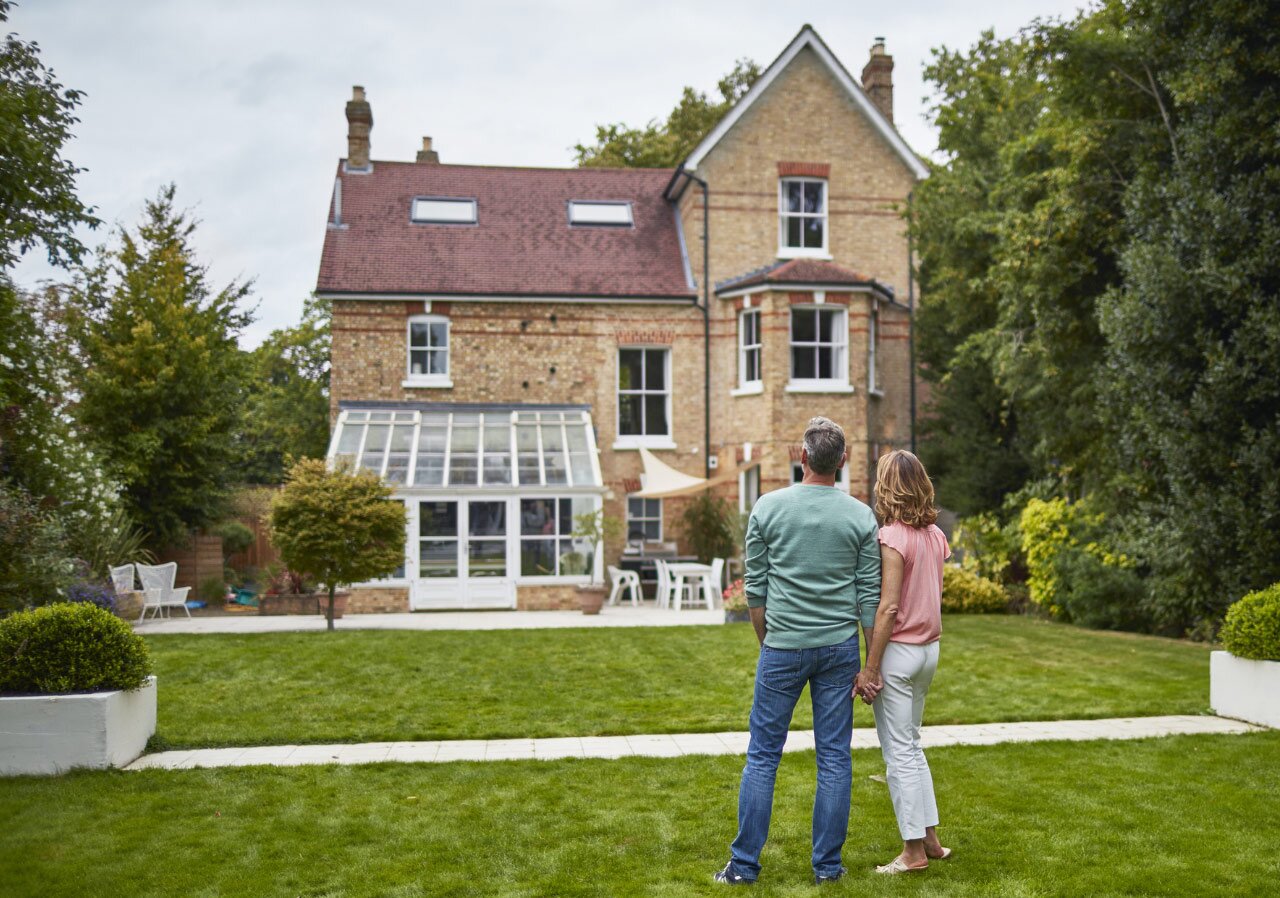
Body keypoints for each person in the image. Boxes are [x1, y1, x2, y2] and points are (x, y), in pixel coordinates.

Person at [715, 417, 881, 886]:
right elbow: (869, 597)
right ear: (842, 461)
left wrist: (767, 641)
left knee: (763, 756)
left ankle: (743, 867)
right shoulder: (859, 515)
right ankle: (828, 868)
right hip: (839, 649)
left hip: (783, 647)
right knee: (834, 758)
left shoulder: (768, 507)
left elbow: (755, 589)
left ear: (802, 458)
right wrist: (870, 664)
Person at [854, 449, 952, 874]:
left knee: (899, 754)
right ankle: (931, 840)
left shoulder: (893, 536)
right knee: (912, 744)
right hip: (929, 652)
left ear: (887, 486)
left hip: (900, 654)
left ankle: (912, 852)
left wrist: (870, 668)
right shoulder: (935, 536)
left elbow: (888, 608)